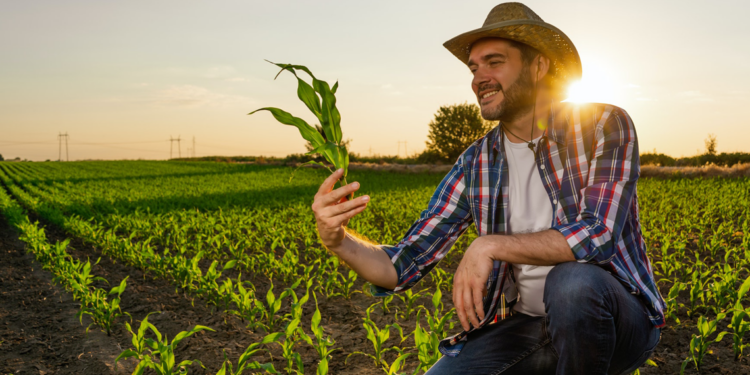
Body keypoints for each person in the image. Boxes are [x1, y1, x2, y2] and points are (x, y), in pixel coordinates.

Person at [311, 3, 666, 374]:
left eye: (494, 62)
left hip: (616, 321)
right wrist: (338, 240)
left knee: (572, 281)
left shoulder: (602, 124)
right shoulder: (475, 162)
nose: (479, 77)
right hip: (527, 326)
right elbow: (403, 263)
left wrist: (490, 243)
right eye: (474, 67)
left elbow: (597, 235)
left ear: (539, 65)